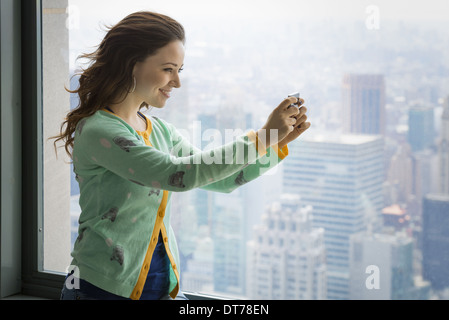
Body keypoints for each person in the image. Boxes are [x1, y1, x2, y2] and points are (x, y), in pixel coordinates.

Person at [51, 11, 310, 300]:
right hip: (99, 290)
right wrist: (261, 137)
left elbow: (223, 181)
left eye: (179, 70)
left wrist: (273, 144)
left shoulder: (161, 130)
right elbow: (178, 176)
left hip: (161, 286)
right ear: (131, 65)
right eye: (168, 69)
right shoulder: (99, 130)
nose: (177, 82)